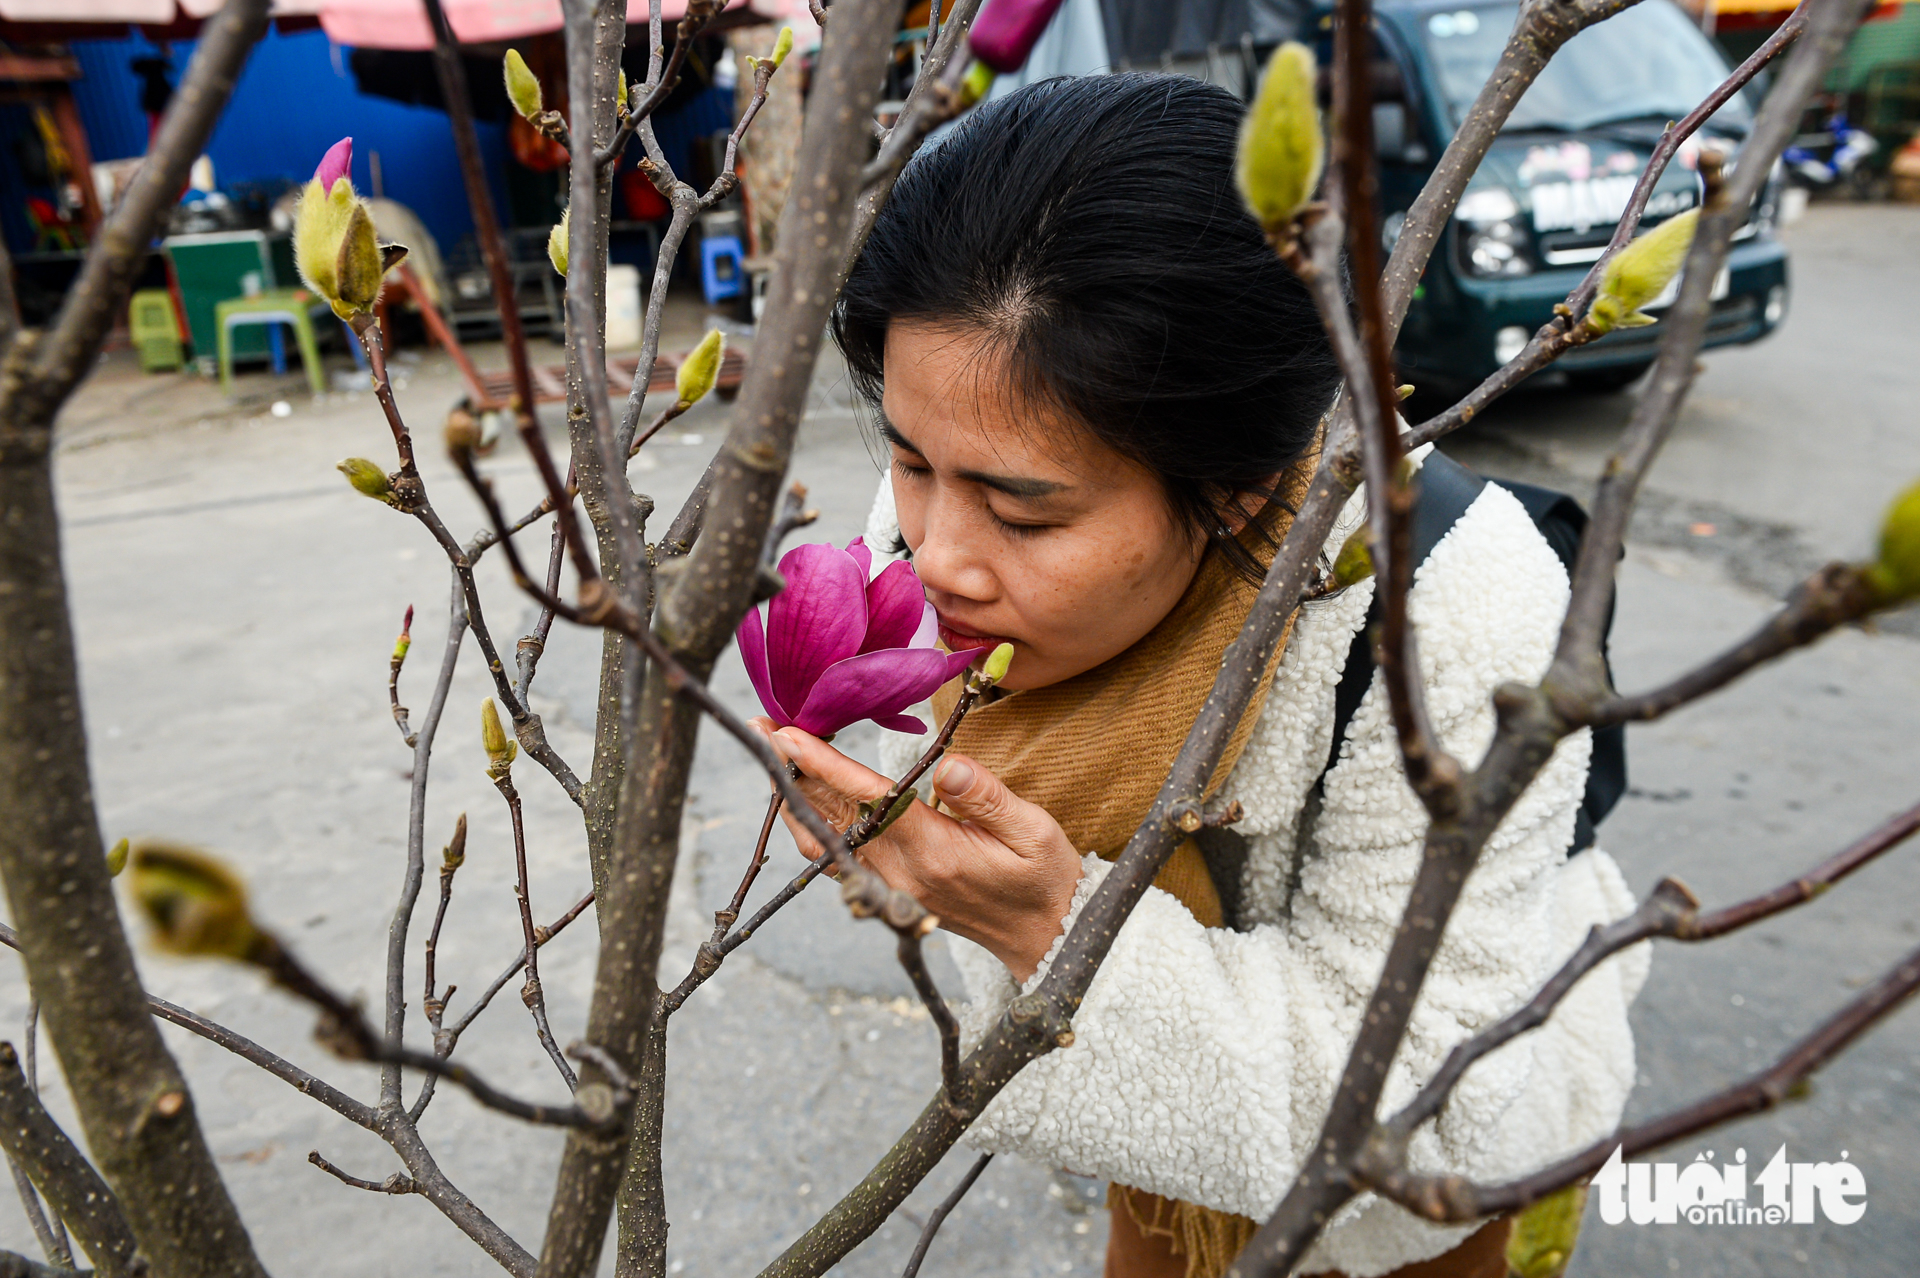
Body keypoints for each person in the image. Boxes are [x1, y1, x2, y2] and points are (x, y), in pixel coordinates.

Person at [754, 73, 1647, 1278]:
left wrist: (1055, 933)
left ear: (1237, 484)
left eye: (1024, 513)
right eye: (909, 462)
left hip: (1419, 1196)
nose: (932, 554)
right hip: (1181, 1138)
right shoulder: (954, 497)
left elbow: (1431, 1096)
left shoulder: (1457, 617)